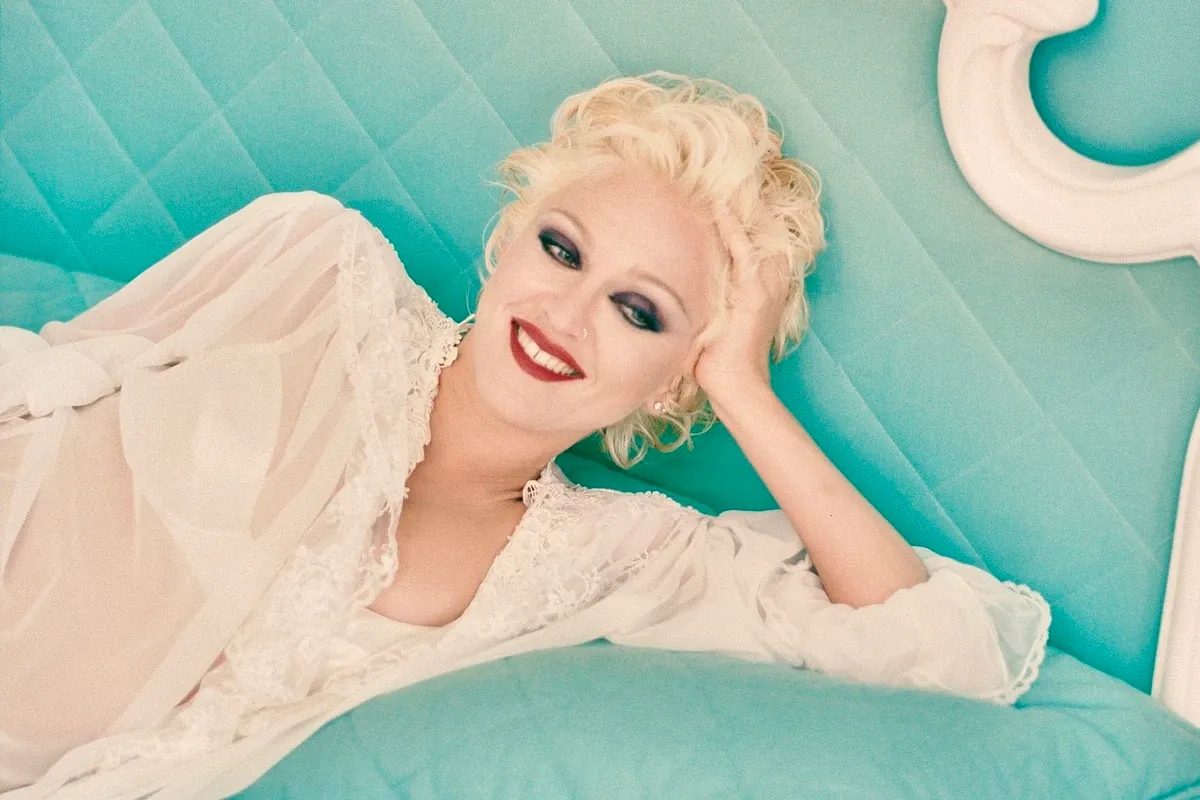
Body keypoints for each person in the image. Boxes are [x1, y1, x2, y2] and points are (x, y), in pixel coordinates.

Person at [0, 72, 1050, 797]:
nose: (567, 313)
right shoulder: (317, 269)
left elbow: (939, 651)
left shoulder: (615, 554)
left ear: (674, 377)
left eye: (639, 310)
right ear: (509, 238)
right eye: (562, 248)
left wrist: (742, 386)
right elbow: (51, 389)